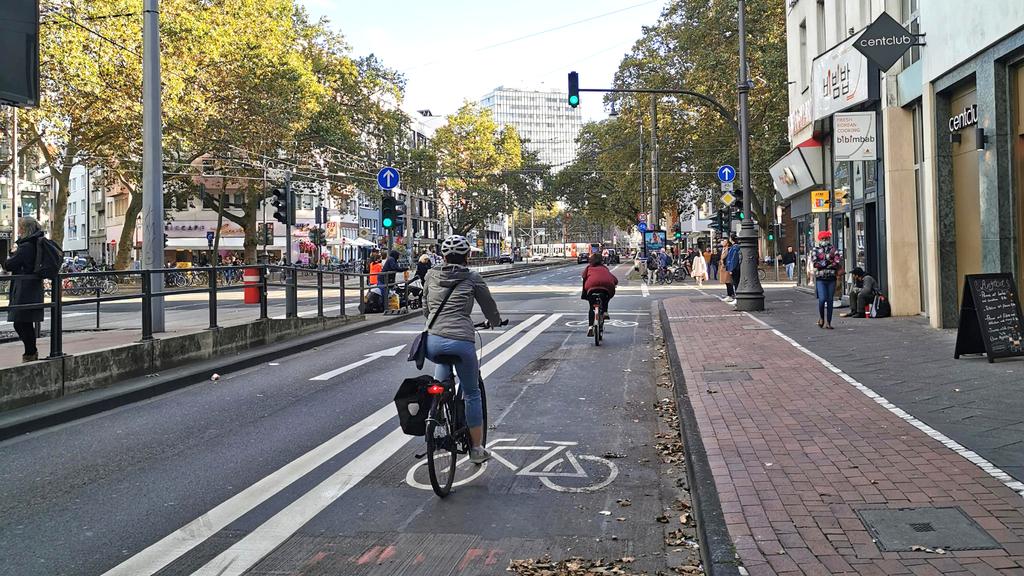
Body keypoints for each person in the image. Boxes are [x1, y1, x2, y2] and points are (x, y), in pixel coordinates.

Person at [422, 235, 503, 464]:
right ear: (467, 256)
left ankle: (435, 413)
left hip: (433, 340)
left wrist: (433, 323)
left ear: (443, 256)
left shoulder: (430, 275)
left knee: (440, 380)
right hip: (461, 341)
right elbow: (489, 306)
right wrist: (495, 322)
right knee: (472, 392)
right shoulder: (473, 277)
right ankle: (476, 449)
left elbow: (425, 307)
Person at [3, 217, 46, 362]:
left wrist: (13, 253)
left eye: (20, 228)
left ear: (25, 229)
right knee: (25, 321)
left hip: (25, 288)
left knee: (20, 321)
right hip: (32, 287)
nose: (19, 231)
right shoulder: (36, 243)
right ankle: (30, 353)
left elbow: (9, 265)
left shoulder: (27, 246)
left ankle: (30, 353)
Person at [581, 252, 618, 336]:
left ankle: (590, 327)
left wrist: (584, 293)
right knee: (606, 296)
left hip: (591, 289)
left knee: (591, 308)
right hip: (605, 288)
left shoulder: (588, 268)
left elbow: (583, 277)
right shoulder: (604, 268)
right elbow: (615, 280)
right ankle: (605, 311)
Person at [811, 231, 841, 329]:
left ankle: (828, 322)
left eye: (826, 239)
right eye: (822, 239)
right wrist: (828, 262)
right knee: (822, 299)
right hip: (820, 278)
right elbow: (815, 264)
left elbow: (837, 262)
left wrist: (823, 264)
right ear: (819, 239)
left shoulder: (833, 249)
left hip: (831, 278)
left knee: (830, 300)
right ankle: (821, 318)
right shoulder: (815, 250)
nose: (824, 241)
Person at [724, 238, 741, 302]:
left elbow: (734, 259)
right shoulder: (734, 247)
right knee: (735, 283)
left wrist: (731, 268)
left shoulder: (734, 248)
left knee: (736, 283)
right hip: (735, 268)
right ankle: (736, 297)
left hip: (735, 269)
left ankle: (737, 298)